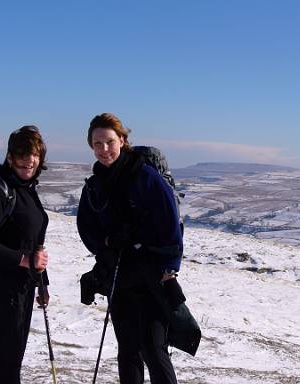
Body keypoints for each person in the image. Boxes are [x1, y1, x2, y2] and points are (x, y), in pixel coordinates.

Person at [77, 112, 183, 384]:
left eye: (109, 142)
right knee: (127, 350)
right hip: (119, 275)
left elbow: (170, 226)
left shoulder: (146, 177)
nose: (104, 149)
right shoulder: (95, 184)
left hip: (152, 275)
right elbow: (86, 226)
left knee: (153, 349)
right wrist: (106, 246)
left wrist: (170, 272)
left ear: (122, 140)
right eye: (97, 144)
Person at [0, 125, 50, 384]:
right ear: (10, 156)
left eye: (34, 155)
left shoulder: (26, 187)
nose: (28, 161)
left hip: (24, 285)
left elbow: (33, 241)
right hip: (3, 285)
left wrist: (42, 283)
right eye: (22, 155)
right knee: (4, 358)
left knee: (13, 356)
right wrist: (24, 261)